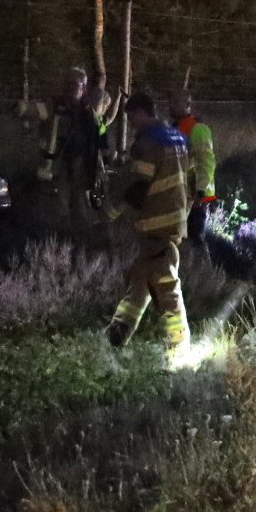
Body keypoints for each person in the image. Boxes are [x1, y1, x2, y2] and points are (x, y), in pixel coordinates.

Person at [105, 93, 192, 360]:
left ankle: (178, 349)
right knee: (140, 279)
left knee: (166, 285)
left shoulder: (148, 142)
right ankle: (117, 335)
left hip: (156, 223)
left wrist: (110, 212)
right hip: (175, 217)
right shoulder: (176, 137)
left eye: (131, 117)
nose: (131, 124)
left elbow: (141, 187)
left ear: (141, 112)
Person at [18, 68, 113, 228]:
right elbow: (39, 110)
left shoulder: (87, 109)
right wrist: (23, 109)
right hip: (58, 161)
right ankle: (58, 232)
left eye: (77, 86)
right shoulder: (57, 104)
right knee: (58, 202)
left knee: (80, 202)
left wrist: (101, 161)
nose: (74, 89)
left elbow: (98, 131)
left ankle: (80, 234)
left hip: (81, 163)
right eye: (71, 85)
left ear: (84, 88)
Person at [168, 90, 217, 245]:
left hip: (196, 195)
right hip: (183, 193)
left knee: (194, 238)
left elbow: (206, 162)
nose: (171, 106)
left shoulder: (197, 129)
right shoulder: (175, 129)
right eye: (171, 102)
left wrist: (200, 190)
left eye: (176, 103)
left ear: (187, 105)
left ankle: (202, 266)